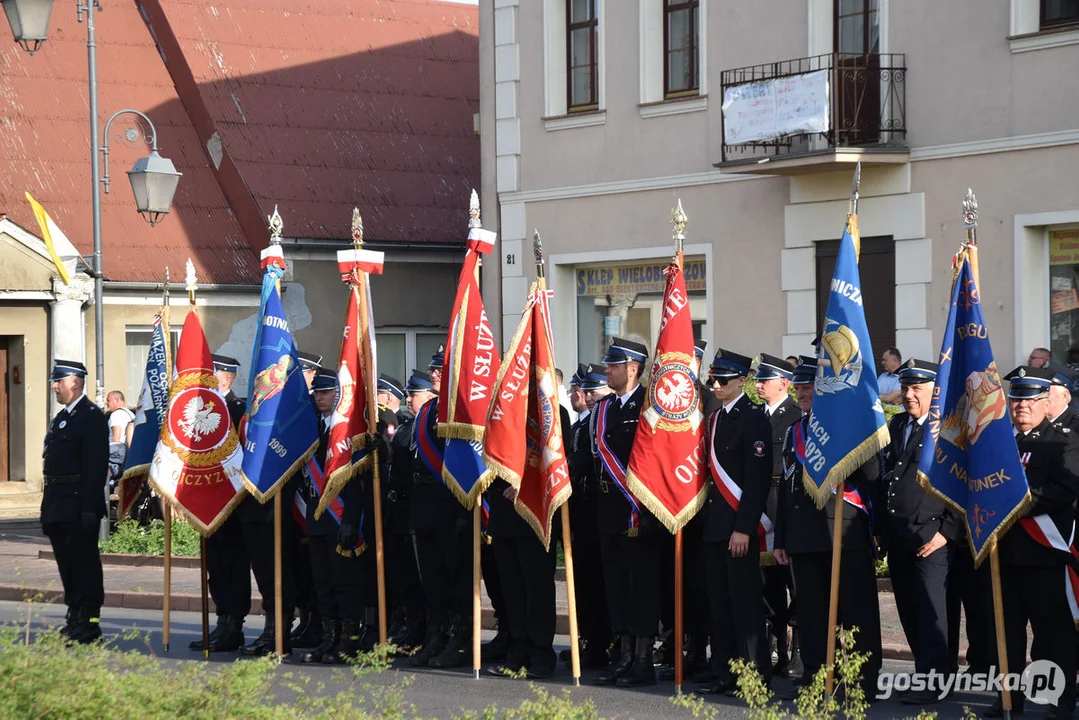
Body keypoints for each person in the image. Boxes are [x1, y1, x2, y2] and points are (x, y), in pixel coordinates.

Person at [773, 354, 882, 698]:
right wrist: (782, 536)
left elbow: (873, 478)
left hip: (843, 531)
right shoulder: (794, 431)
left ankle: (861, 681)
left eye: (808, 387)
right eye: (799, 387)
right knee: (812, 615)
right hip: (804, 536)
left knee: (855, 612)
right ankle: (817, 677)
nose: (802, 393)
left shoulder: (849, 426)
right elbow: (786, 485)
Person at [984, 366, 1079, 719]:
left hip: (1044, 554)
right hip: (1003, 554)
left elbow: (1063, 491)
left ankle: (1060, 699)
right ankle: (1008, 698)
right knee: (1005, 634)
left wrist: (1014, 504)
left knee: (1052, 634)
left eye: (1031, 400)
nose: (1022, 406)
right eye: (1017, 400)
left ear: (1044, 402)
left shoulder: (1063, 439)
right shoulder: (999, 444)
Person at [881, 359, 958, 705]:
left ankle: (937, 679)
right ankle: (924, 673)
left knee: (933, 612)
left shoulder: (949, 430)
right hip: (900, 535)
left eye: (917, 389)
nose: (909, 395)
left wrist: (947, 531)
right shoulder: (898, 425)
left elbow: (963, 484)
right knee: (910, 610)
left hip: (932, 538)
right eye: (907, 388)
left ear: (934, 391)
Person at [696, 349, 773, 696]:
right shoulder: (715, 419)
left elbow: (756, 480)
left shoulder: (753, 418)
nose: (716, 385)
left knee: (745, 604)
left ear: (742, 381)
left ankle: (754, 674)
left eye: (723, 380)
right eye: (713, 379)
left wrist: (743, 528)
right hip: (715, 527)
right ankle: (725, 671)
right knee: (719, 604)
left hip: (737, 527)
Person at [591, 337, 660, 688]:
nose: (607, 370)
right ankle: (624, 654)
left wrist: (648, 512)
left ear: (633, 369)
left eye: (613, 365)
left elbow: (659, 462)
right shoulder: (603, 408)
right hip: (608, 510)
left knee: (641, 587)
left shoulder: (650, 406)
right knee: (616, 585)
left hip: (639, 513)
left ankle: (643, 659)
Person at [407, 346, 474, 669]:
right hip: (424, 506)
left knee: (455, 580)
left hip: (451, 506)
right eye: (432, 369)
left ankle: (459, 638)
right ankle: (436, 634)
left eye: (440, 369)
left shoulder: (460, 410)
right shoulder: (427, 410)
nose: (433, 373)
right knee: (431, 579)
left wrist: (465, 511)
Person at [300, 368, 367, 664]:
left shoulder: (348, 431)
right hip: (317, 517)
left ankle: (348, 641)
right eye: (316, 392)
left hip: (340, 518)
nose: (319, 397)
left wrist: (351, 519)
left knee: (345, 582)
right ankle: (329, 638)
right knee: (322, 582)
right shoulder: (313, 428)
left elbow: (357, 482)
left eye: (325, 392)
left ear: (338, 394)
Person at [42, 359, 109, 643]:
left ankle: (90, 622)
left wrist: (87, 508)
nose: (55, 386)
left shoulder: (91, 416)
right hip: (59, 503)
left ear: (76, 382)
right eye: (54, 381)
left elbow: (95, 467)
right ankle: (74, 616)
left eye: (59, 380)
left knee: (85, 566)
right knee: (68, 565)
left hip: (79, 503)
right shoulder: (62, 418)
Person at [190, 354, 250, 652]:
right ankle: (221, 619)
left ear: (225, 377)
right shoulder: (204, 409)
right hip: (207, 499)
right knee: (215, 565)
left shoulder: (240, 410)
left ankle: (234, 626)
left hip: (234, 502)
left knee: (233, 564)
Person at [754, 353, 802, 679]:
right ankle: (778, 651)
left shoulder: (796, 417)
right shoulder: (754, 417)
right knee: (767, 588)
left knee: (795, 586)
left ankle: (798, 653)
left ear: (783, 383)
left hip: (784, 505)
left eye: (764, 380)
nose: (757, 385)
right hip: (759, 505)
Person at [563, 363, 612, 668]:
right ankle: (588, 640)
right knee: (584, 583)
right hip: (581, 513)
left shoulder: (602, 422)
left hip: (600, 512)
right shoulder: (579, 427)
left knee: (602, 584)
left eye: (596, 390)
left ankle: (603, 643)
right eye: (588, 390)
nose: (590, 397)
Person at [385, 371, 435, 652]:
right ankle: (412, 628)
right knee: (404, 576)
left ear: (429, 396)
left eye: (414, 395)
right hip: (400, 509)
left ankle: (424, 632)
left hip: (416, 506)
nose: (408, 399)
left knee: (420, 577)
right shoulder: (406, 426)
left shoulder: (426, 426)